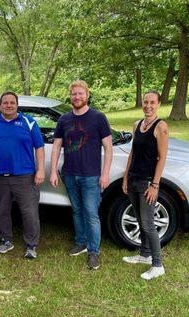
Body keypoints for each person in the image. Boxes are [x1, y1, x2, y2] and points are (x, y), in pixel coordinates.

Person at [50, 80, 112, 270]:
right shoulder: (64, 119)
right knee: (77, 210)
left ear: (87, 95)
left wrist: (105, 174)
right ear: (70, 96)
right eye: (74, 94)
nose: (77, 97)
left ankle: (94, 252)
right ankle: (81, 242)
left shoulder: (98, 118)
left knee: (91, 214)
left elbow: (108, 148)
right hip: (70, 174)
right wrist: (53, 171)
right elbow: (56, 146)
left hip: (91, 175)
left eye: (80, 94)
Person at [0, 91, 45, 259]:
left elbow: (39, 147)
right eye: (5, 102)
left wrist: (40, 170)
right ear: (0, 105)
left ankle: (31, 246)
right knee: (1, 210)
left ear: (17, 105)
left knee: (29, 212)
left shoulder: (28, 122)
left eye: (12, 102)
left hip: (24, 176)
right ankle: (6, 241)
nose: (9, 105)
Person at [121, 90, 169, 280]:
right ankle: (144, 255)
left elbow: (162, 157)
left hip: (147, 182)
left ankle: (158, 265)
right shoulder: (137, 124)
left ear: (158, 104)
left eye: (152, 103)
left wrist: (154, 184)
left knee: (149, 225)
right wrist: (125, 177)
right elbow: (132, 153)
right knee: (141, 221)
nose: (148, 106)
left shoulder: (161, 126)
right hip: (133, 179)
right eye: (145, 102)